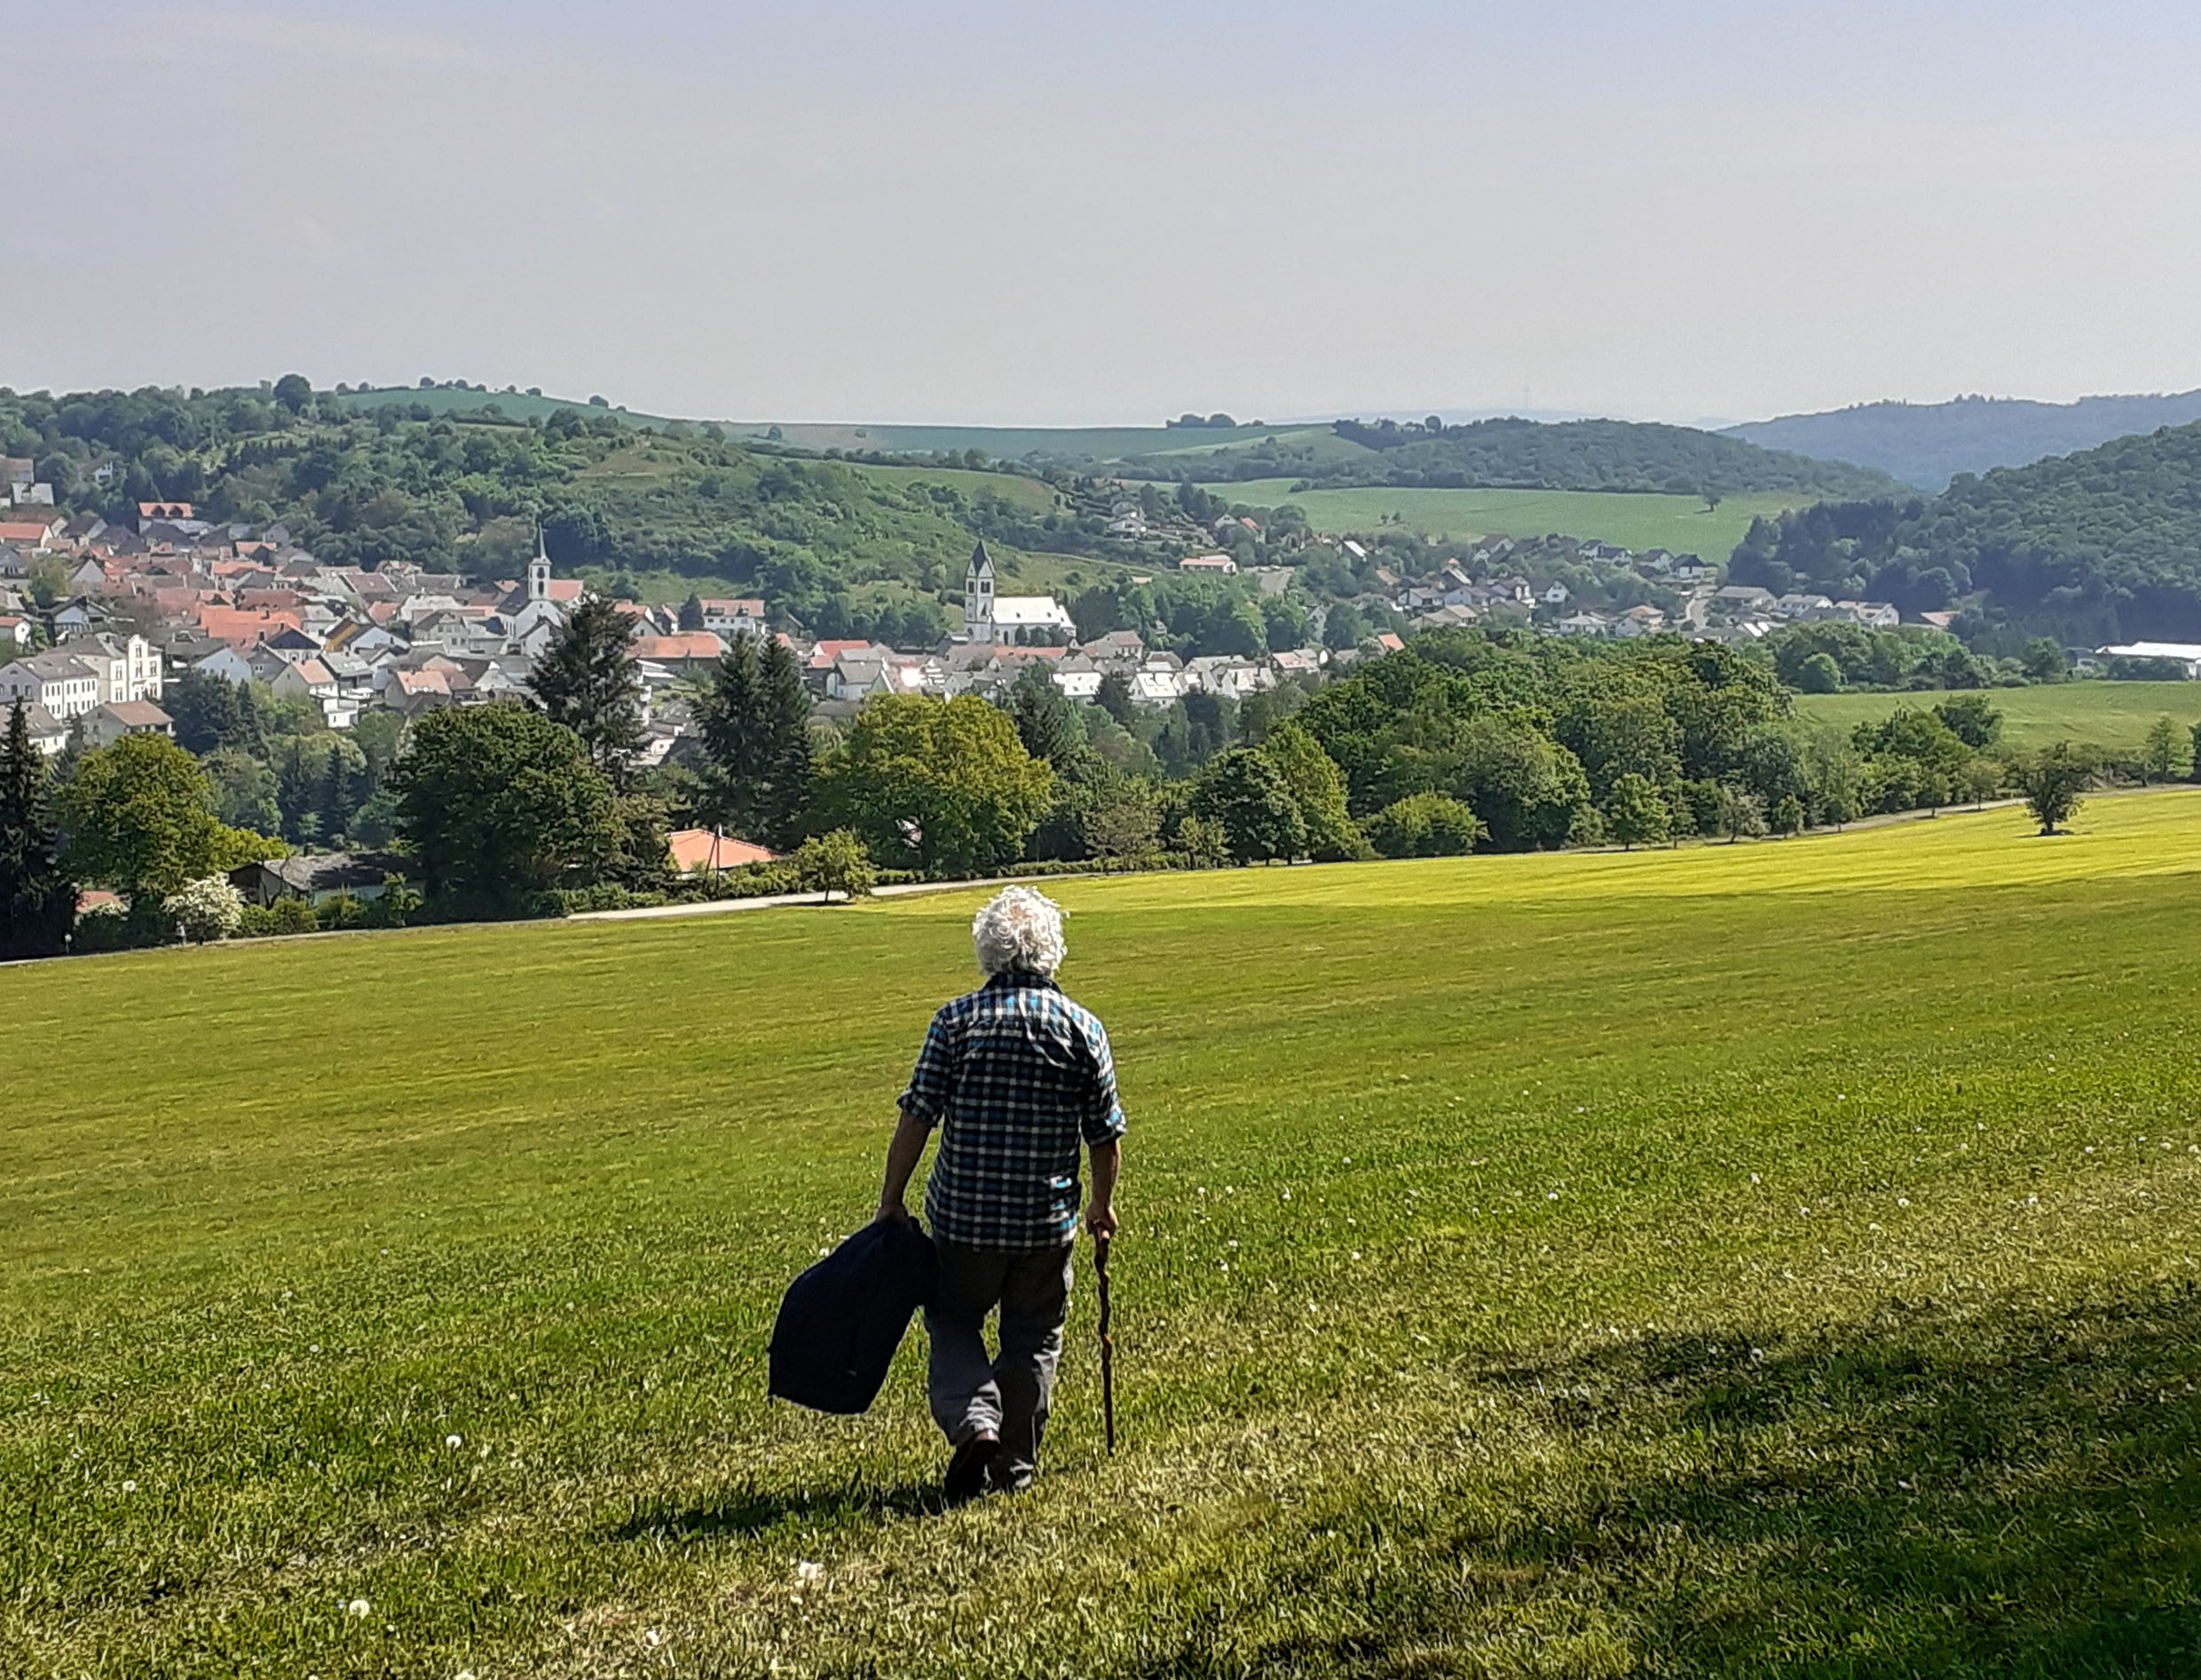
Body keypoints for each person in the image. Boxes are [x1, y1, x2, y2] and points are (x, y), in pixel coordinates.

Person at [875, 887, 1124, 1502]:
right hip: (1045, 1222)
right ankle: (1014, 1467)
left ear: (986, 949)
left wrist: (892, 1198)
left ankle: (974, 1422)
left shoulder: (955, 1021)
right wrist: (1101, 1203)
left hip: (963, 1221)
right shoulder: (1083, 1028)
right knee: (1033, 1337)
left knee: (953, 1320)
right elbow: (1104, 1133)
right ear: (1051, 951)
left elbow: (917, 1115)